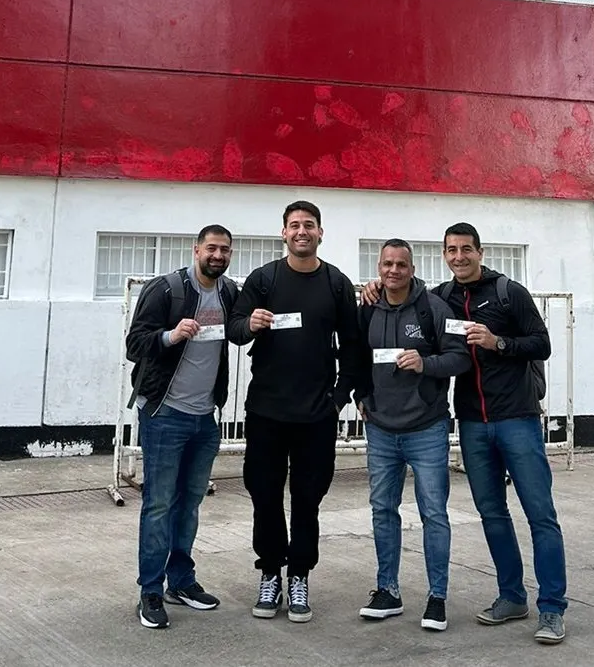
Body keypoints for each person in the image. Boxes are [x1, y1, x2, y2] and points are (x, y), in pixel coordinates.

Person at [360, 222, 568, 644]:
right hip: (472, 422)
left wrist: (498, 342)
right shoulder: (440, 298)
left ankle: (551, 609)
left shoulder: (510, 293)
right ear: (443, 255)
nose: (459, 257)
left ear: (480, 251)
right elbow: (406, 295)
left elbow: (541, 344)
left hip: (517, 418)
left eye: (466, 249)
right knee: (492, 514)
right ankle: (511, 596)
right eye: (451, 250)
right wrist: (374, 287)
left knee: (540, 515)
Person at [227, 200, 363, 623]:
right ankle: (270, 571)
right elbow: (233, 328)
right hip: (267, 413)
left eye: (309, 225)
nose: (301, 231)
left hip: (315, 418)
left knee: (308, 500)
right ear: (283, 233)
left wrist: (338, 400)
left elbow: (356, 350)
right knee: (265, 496)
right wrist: (250, 324)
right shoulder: (263, 279)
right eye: (294, 225)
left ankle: (300, 574)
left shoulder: (336, 283)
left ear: (320, 233)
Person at [124, 225, 240, 629]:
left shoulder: (229, 294)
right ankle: (151, 591)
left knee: (189, 504)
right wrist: (170, 336)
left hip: (204, 418)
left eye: (225, 250)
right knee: (158, 505)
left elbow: (243, 329)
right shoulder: (166, 288)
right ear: (197, 249)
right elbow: (133, 343)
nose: (218, 255)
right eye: (212, 248)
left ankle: (182, 581)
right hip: (164, 414)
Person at [354, 239, 470, 632]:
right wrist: (360, 396)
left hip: (427, 428)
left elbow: (460, 358)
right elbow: (354, 357)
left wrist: (426, 363)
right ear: (379, 267)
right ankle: (388, 590)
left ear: (412, 267)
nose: (393, 271)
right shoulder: (367, 306)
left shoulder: (435, 308)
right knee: (382, 510)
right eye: (387, 263)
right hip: (381, 430)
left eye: (401, 264)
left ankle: (437, 597)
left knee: (434, 514)